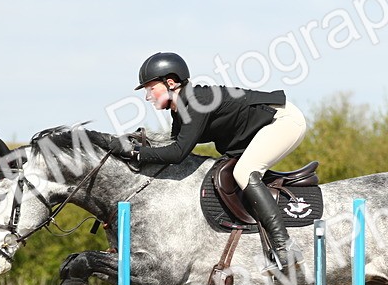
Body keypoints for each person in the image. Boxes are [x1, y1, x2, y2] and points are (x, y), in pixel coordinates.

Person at [110, 51, 308, 269]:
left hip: (284, 120)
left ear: (171, 82)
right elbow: (171, 145)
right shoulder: (180, 110)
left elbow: (177, 153)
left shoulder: (195, 102)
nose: (148, 96)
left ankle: (284, 246)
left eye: (151, 89)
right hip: (261, 128)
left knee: (244, 172)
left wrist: (136, 153)